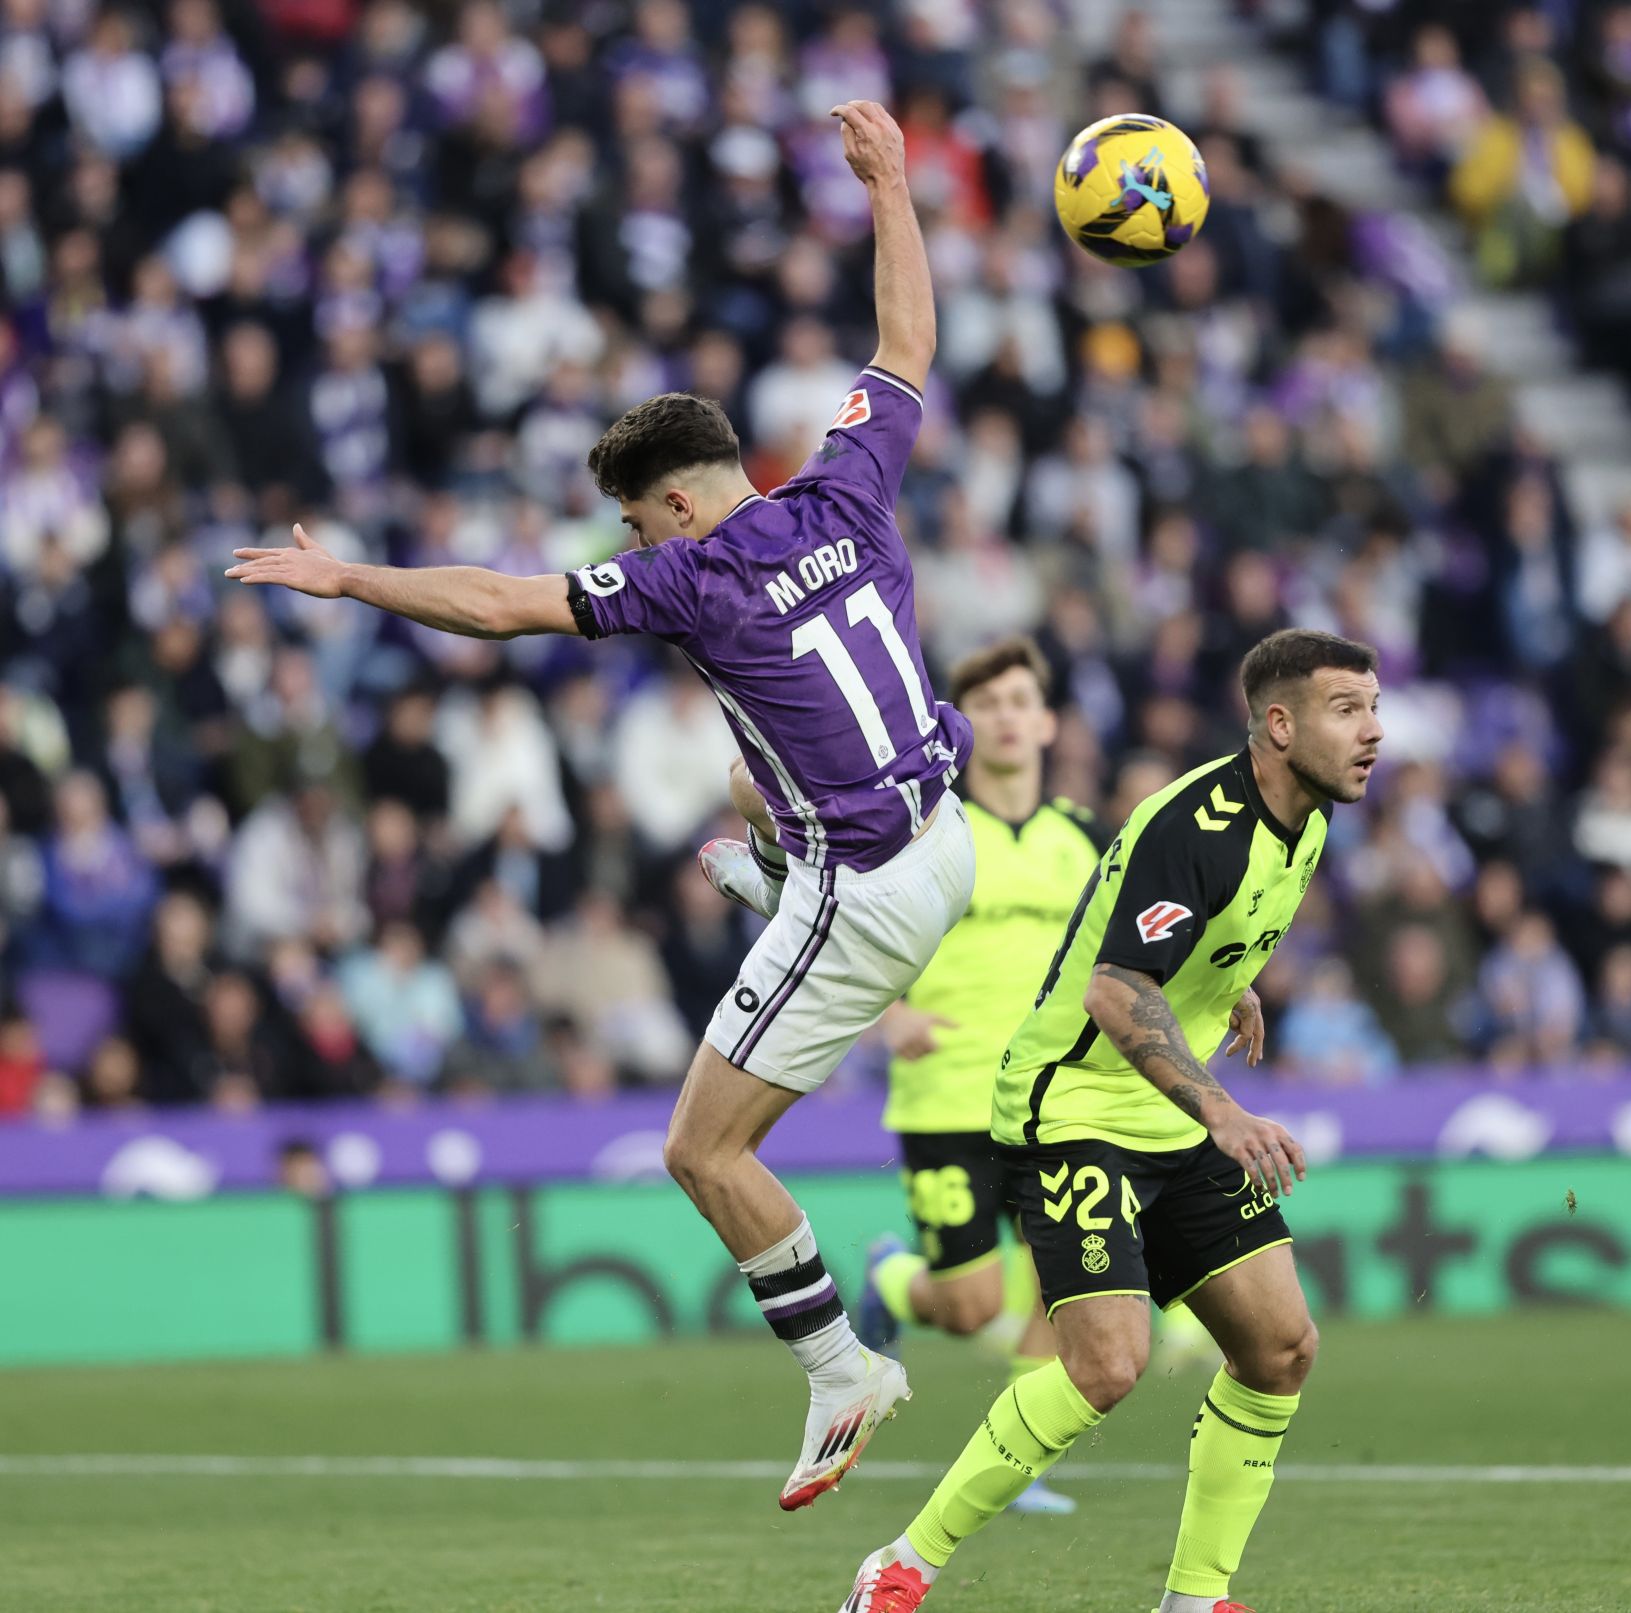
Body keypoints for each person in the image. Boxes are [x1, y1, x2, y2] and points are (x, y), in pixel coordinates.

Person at [225, 102, 974, 1513]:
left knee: (702, 1149)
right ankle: (772, 873)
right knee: (754, 789)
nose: (628, 548)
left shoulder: (690, 574)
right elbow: (906, 346)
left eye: (633, 524)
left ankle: (841, 1371)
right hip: (948, 836)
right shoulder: (844, 486)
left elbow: (507, 607)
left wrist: (354, 581)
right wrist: (890, 188)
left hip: (869, 886)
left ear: (676, 510)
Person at [838, 628, 1385, 1613]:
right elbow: (1113, 986)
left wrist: (1235, 983)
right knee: (1105, 1362)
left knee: (1281, 1345)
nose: (1373, 731)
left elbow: (1190, 930)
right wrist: (1224, 1110)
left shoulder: (1305, 817)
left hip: (1165, 1115)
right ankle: (902, 1564)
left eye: (1372, 707)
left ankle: (1194, 1597)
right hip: (1073, 1108)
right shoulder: (1200, 821)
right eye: (1348, 709)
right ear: (1278, 721)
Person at [857, 637, 1107, 1515]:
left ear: (1045, 721)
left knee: (1061, 1282)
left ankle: (1018, 1458)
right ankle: (890, 1277)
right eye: (987, 702)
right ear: (962, 727)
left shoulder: (1084, 838)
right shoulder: (924, 830)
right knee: (967, 1306)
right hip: (948, 1096)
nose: (1005, 714)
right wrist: (888, 1016)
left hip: (1053, 1101)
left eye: (1019, 699)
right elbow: (846, 930)